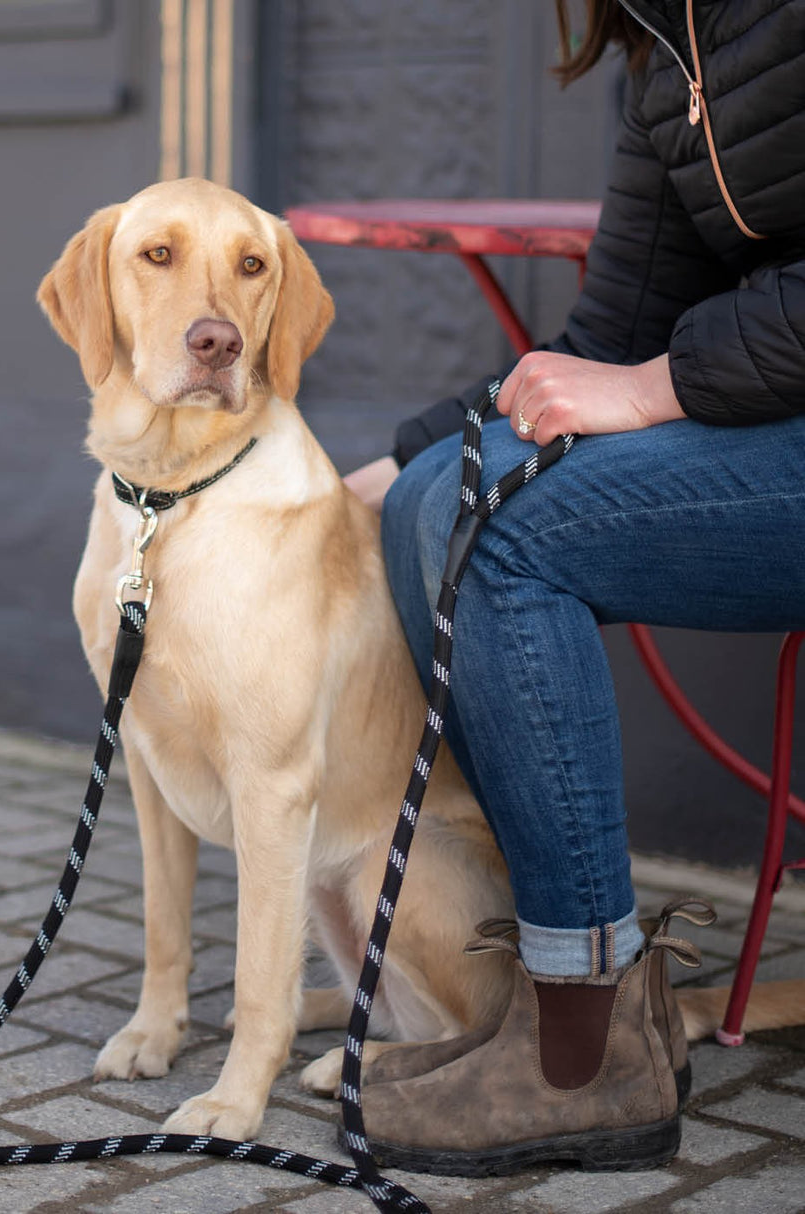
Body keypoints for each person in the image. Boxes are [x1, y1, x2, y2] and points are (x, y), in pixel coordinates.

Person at [345, 0, 805, 1177]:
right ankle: (557, 1009)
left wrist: (656, 387)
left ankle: (581, 1052)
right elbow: (606, 332)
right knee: (432, 507)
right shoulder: (669, 49)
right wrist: (401, 456)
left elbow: (635, 373)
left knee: (502, 534)